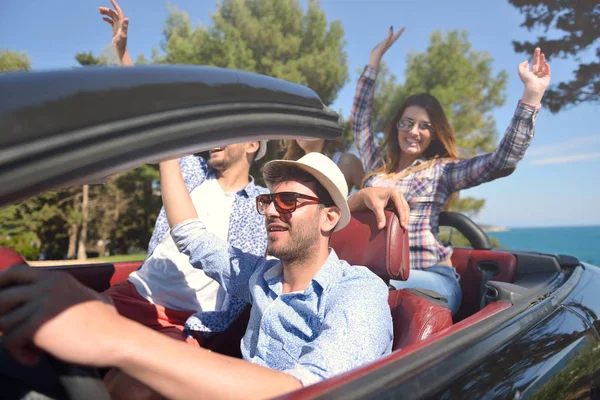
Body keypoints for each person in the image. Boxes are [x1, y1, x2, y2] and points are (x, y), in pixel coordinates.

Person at [0, 152, 393, 400]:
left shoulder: (359, 292)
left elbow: (308, 391)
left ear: (329, 218)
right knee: (133, 381)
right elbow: (191, 234)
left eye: (288, 201)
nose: (272, 211)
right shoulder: (258, 274)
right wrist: (167, 149)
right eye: (268, 200)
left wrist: (115, 336)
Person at [98, 2, 271, 397]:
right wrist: (123, 54)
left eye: (226, 129)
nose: (213, 134)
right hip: (133, 293)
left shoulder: (262, 204)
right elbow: (155, 124)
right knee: (38, 326)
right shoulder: (191, 173)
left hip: (183, 320)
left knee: (127, 389)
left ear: (251, 143)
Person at [350, 27, 551, 315]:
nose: (413, 132)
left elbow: (501, 161)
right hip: (377, 275)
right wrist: (373, 62)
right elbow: (359, 122)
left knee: (359, 284)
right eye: (406, 123)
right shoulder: (376, 166)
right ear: (397, 126)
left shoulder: (440, 171)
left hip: (430, 277)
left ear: (434, 134)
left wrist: (532, 95)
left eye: (424, 126)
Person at [282, 139, 365, 191]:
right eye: (297, 125)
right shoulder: (289, 168)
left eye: (309, 123)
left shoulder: (347, 161)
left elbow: (371, 196)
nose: (300, 131)